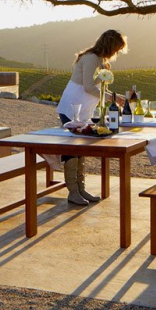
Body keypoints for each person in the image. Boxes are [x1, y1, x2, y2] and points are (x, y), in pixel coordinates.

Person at [55, 29, 127, 206]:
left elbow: (98, 88)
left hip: (84, 107)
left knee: (81, 148)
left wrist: (114, 96)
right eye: (116, 49)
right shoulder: (90, 59)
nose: (116, 53)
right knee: (73, 149)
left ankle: (81, 188)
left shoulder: (99, 60)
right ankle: (73, 191)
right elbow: (88, 86)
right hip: (72, 107)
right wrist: (113, 98)